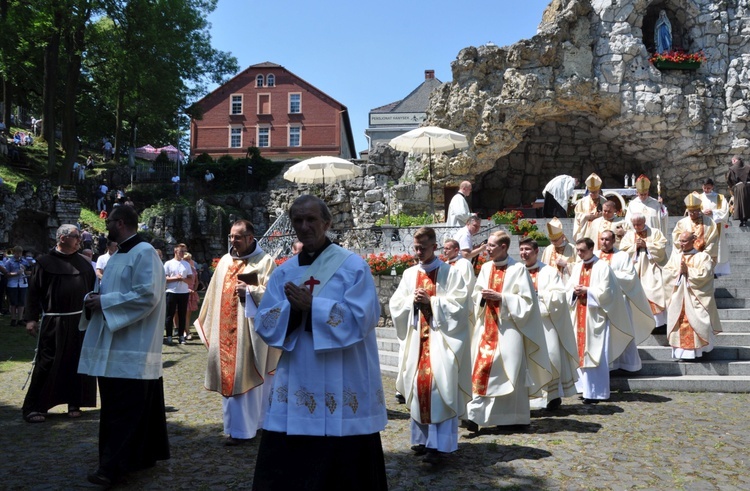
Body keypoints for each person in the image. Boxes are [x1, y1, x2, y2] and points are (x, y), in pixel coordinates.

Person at [253, 195, 387, 490]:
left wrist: (315, 307)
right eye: (298, 220)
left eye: (311, 219)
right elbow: (265, 322)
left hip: (344, 374)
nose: (304, 226)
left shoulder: (352, 267)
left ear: (326, 223)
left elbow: (363, 319)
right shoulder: (285, 271)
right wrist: (293, 308)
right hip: (299, 371)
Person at [78, 205, 170, 486]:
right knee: (117, 409)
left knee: (124, 412)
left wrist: (104, 302)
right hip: (114, 344)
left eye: (109, 221)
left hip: (133, 345)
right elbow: (115, 292)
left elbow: (147, 295)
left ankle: (112, 467)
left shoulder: (144, 253)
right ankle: (136, 457)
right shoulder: (120, 254)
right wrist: (96, 298)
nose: (105, 226)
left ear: (119, 223)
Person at [389, 227, 471, 463]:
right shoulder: (409, 274)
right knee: (417, 388)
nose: (417, 252)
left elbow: (460, 306)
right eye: (415, 247)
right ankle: (422, 440)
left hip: (441, 341)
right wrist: (410, 303)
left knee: (439, 388)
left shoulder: (450, 273)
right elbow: (397, 304)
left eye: (422, 247)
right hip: (416, 341)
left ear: (434, 246)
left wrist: (432, 301)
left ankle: (440, 445)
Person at [194, 219, 279, 445]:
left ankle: (249, 429)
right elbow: (212, 294)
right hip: (225, 333)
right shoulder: (224, 261)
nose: (233, 241)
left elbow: (274, 295)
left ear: (251, 238)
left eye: (238, 237)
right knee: (229, 381)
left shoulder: (265, 261)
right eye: (231, 236)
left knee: (248, 378)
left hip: (250, 334)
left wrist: (251, 292)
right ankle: (234, 428)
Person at [466, 231, 551, 430]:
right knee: (483, 369)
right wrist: (483, 297)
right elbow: (476, 295)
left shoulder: (518, 270)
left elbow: (528, 303)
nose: (487, 249)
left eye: (492, 246)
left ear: (504, 247)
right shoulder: (486, 268)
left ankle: (512, 417)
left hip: (509, 328)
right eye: (487, 245)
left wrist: (502, 298)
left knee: (509, 370)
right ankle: (475, 415)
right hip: (487, 326)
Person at [21, 225, 97, 423]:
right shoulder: (44, 263)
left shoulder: (84, 263)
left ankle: (75, 402)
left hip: (80, 321)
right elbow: (33, 293)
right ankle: (35, 406)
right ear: (62, 238)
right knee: (47, 362)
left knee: (76, 361)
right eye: (75, 236)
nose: (80, 240)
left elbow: (92, 291)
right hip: (54, 320)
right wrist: (31, 319)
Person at [567, 238, 633, 403]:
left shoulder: (603, 267)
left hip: (596, 318)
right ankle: (584, 389)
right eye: (578, 250)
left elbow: (608, 293)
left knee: (596, 354)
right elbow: (568, 288)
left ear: (591, 249)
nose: (579, 253)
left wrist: (587, 291)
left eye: (582, 250)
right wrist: (574, 293)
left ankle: (597, 392)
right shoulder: (577, 267)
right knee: (580, 352)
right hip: (579, 314)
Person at [519, 237, 579, 410]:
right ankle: (529, 397)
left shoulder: (549, 272)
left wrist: (538, 294)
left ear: (536, 252)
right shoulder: (517, 271)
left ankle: (552, 396)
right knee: (528, 360)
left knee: (551, 358)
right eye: (521, 249)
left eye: (527, 249)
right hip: (525, 323)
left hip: (545, 322)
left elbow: (560, 296)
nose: (523, 253)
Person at [596, 230, 653, 372]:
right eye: (602, 239)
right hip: (600, 301)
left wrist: (609, 273)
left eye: (607, 239)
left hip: (619, 301)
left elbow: (630, 277)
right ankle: (607, 365)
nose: (604, 242)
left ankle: (626, 364)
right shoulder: (595, 256)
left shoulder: (622, 256)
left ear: (614, 240)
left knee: (622, 331)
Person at [663, 231, 722, 361]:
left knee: (699, 320)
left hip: (696, 298)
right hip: (679, 297)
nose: (681, 244)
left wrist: (688, 271)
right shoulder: (675, 257)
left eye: (684, 241)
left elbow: (706, 275)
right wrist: (679, 273)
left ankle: (699, 351)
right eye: (680, 241)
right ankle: (682, 353)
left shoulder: (703, 257)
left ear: (692, 241)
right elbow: (666, 273)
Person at [619, 213, 669, 333]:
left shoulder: (655, 232)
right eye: (634, 225)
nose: (636, 227)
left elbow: (661, 247)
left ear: (645, 221)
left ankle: (659, 324)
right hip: (635, 269)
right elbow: (623, 250)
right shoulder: (629, 235)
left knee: (655, 292)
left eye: (639, 224)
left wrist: (647, 245)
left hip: (652, 268)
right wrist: (635, 246)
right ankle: (642, 324)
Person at [671, 193, 719, 264]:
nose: (692, 213)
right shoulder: (681, 223)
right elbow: (676, 241)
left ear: (699, 209)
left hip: (703, 259)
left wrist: (702, 256)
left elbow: (713, 242)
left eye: (694, 211)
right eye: (690, 211)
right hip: (686, 257)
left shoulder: (710, 223)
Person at [697, 178, 730, 276]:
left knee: (716, 248)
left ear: (712, 187)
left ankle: (716, 270)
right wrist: (702, 212)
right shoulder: (698, 197)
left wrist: (713, 212)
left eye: (708, 188)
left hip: (716, 226)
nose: (706, 190)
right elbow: (693, 210)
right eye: (704, 188)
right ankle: (704, 268)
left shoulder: (720, 198)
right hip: (703, 227)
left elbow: (725, 211)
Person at [163, 244, 192, 345]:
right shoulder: (168, 263)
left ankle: (181, 336)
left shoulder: (186, 264)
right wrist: (176, 278)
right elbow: (164, 279)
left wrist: (183, 279)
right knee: (170, 315)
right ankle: (169, 336)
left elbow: (190, 278)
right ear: (175, 252)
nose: (182, 254)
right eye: (181, 252)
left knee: (182, 314)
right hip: (171, 292)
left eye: (184, 251)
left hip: (183, 292)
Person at [572, 173, 603, 241]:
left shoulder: (604, 201)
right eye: (590, 192)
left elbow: (608, 214)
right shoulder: (582, 202)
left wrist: (601, 215)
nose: (592, 194)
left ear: (598, 190)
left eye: (594, 192)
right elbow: (577, 216)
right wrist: (586, 216)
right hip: (586, 230)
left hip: (599, 231)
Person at [5, 246, 31, 326]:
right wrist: (16, 273)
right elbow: (6, 274)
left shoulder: (25, 261)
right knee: (13, 302)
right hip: (12, 284)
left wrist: (25, 271)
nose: (18, 254)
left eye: (20, 253)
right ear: (14, 253)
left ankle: (20, 319)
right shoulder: (9, 262)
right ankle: (13, 319)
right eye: (17, 252)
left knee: (21, 302)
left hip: (23, 284)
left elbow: (30, 272)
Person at [726, 155, 750, 227]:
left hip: (739, 188)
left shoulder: (732, 169)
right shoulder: (748, 167)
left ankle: (743, 221)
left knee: (741, 204)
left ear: (734, 160)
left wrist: (732, 187)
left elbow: (728, 179)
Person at [182, 252, 199, 340]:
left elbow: (196, 281)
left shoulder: (193, 269)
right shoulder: (182, 269)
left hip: (192, 293)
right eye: (186, 259)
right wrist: (187, 289)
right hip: (184, 292)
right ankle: (184, 331)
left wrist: (194, 290)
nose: (188, 261)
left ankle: (187, 330)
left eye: (189, 259)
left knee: (188, 314)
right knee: (183, 313)